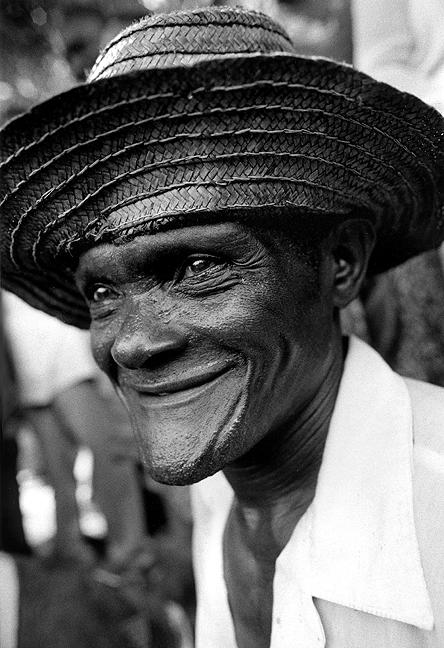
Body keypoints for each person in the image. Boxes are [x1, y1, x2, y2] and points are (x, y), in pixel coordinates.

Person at [1, 7, 444, 648]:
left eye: (198, 267)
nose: (132, 343)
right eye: (102, 292)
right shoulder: (219, 491)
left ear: (341, 262)